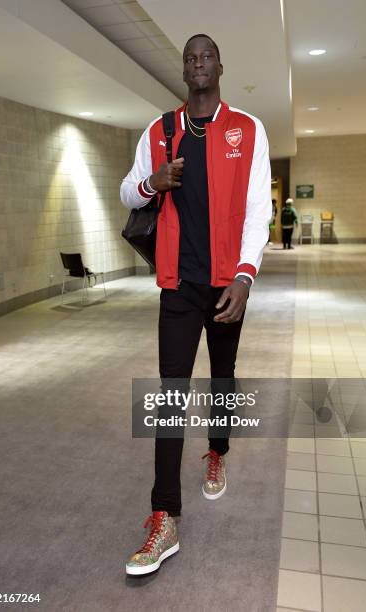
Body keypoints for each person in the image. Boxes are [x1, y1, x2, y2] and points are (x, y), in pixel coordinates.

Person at [120, 33, 272, 575]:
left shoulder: (247, 129)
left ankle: (218, 452)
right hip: (178, 284)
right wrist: (150, 183)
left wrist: (246, 276)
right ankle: (165, 516)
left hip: (228, 281)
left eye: (206, 56)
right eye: (189, 58)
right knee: (170, 393)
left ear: (219, 66)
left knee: (224, 374)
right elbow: (127, 193)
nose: (198, 63)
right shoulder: (160, 131)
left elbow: (259, 211)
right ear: (183, 70)